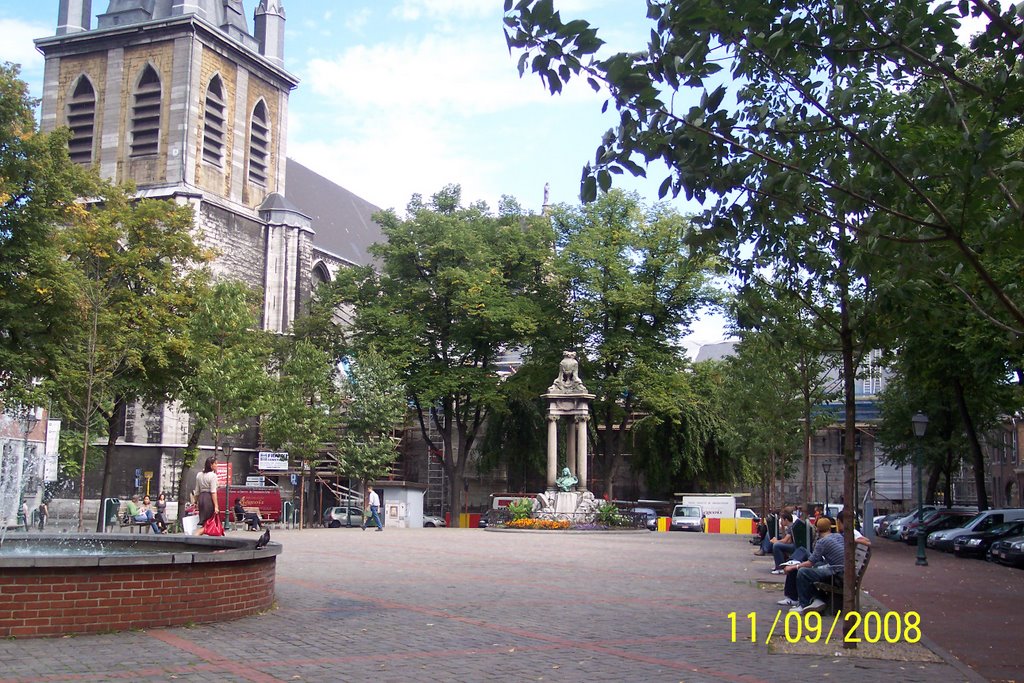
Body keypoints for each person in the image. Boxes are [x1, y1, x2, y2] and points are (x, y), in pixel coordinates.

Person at [776, 515, 868, 608]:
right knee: (805, 558)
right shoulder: (837, 536)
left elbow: (810, 563)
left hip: (838, 574)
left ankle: (804, 604)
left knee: (803, 572)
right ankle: (816, 598)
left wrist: (794, 567)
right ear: (829, 527)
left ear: (817, 529)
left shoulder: (822, 542)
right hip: (842, 571)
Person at [192, 456, 219, 536]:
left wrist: (195, 502)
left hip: (201, 498)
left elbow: (197, 491)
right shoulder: (213, 476)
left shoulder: (199, 475)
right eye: (216, 464)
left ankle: (199, 537)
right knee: (209, 522)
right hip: (208, 499)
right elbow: (213, 492)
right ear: (211, 465)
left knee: (204, 521)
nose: (217, 465)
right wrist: (216, 506)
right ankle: (196, 535)